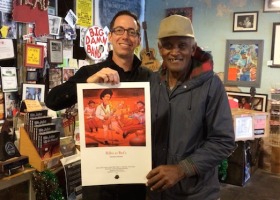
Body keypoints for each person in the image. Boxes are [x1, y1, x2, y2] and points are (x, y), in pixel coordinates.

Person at [45, 10, 151, 200]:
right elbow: (52, 101)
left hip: (136, 180)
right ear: (110, 36)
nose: (125, 36)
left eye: (131, 32)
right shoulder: (91, 72)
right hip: (99, 181)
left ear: (138, 39)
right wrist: (87, 84)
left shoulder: (149, 77)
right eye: (119, 30)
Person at [146, 15, 235, 200]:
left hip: (196, 194)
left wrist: (182, 169)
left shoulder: (211, 84)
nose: (175, 52)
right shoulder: (153, 82)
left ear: (193, 48)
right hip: (156, 191)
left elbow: (223, 141)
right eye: (168, 45)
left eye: (182, 45)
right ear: (160, 49)